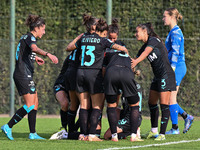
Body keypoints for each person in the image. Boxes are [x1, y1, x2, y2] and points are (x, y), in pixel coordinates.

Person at [66, 18, 128, 141]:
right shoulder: (103, 40)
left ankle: (83, 135)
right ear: (104, 31)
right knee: (96, 106)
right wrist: (124, 50)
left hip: (80, 72)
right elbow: (116, 46)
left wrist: (78, 37)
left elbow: (69, 48)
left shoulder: (83, 38)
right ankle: (92, 135)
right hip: (94, 74)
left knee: (83, 106)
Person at [1, 14, 58, 140]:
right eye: (43, 29)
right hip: (22, 74)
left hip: (24, 73)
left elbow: (24, 52)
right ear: (37, 28)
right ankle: (8, 126)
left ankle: (33, 133)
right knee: (30, 105)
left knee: (35, 103)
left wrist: (35, 58)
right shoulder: (30, 38)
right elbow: (34, 48)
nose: (44, 32)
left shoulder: (25, 37)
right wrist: (48, 54)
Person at [132, 22, 176, 141]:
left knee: (164, 105)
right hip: (158, 77)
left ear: (145, 31)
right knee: (151, 102)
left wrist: (136, 62)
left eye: (137, 32)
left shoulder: (154, 40)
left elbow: (145, 54)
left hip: (166, 76)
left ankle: (162, 134)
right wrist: (133, 67)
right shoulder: (145, 45)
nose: (135, 34)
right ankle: (154, 131)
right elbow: (136, 58)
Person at [103, 19, 142, 142]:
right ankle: (134, 136)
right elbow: (130, 62)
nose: (112, 41)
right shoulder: (123, 47)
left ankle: (114, 136)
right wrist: (134, 71)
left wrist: (105, 82)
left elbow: (104, 68)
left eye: (114, 39)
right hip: (126, 72)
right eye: (110, 38)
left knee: (111, 105)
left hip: (111, 72)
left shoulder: (106, 48)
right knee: (134, 105)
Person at [163, 8, 194, 134]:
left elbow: (175, 52)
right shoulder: (173, 31)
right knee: (171, 98)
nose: (163, 18)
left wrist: (172, 68)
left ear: (171, 17)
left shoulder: (175, 33)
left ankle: (175, 128)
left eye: (164, 16)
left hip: (177, 67)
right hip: (176, 67)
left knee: (171, 98)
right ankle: (186, 117)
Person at [50, 56, 70, 140]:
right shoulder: (70, 57)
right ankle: (64, 128)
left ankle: (73, 129)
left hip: (74, 86)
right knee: (65, 104)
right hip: (61, 84)